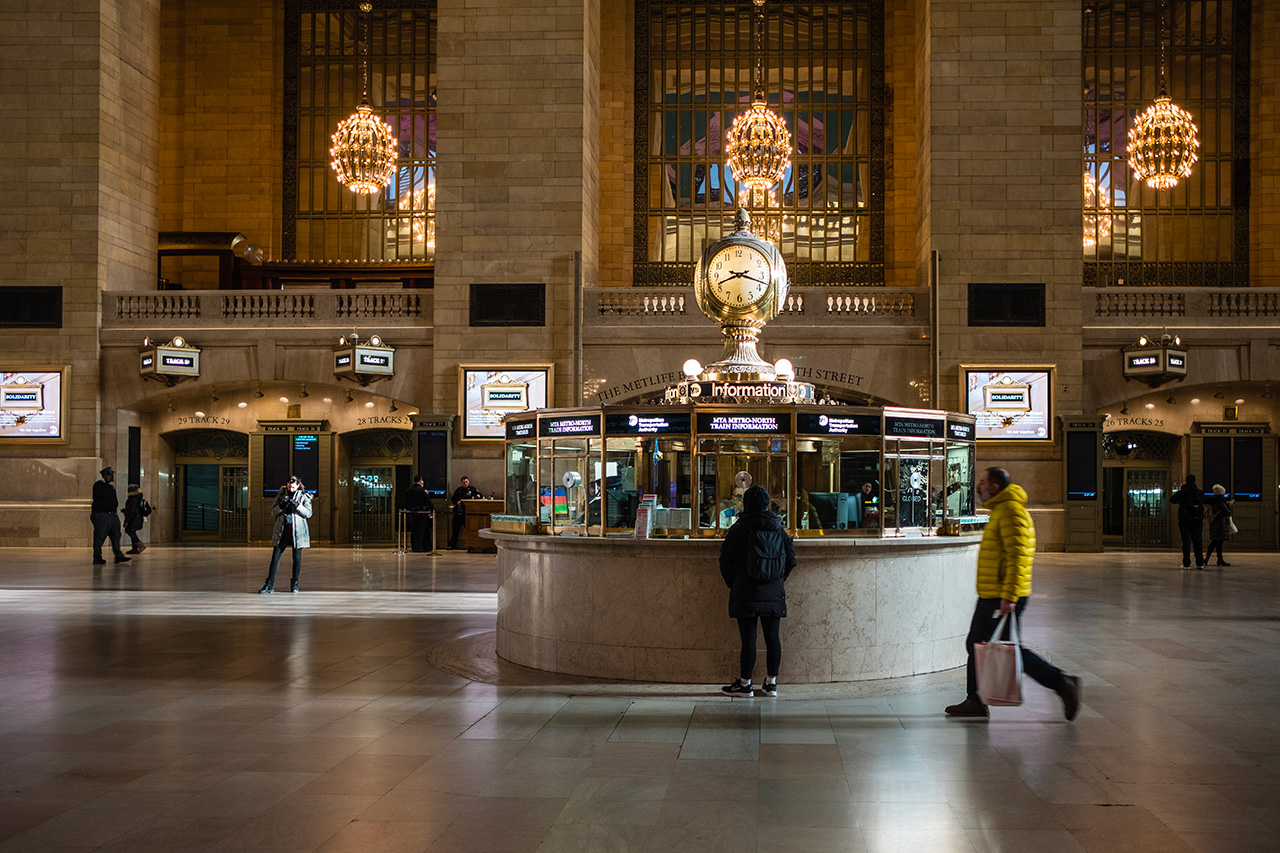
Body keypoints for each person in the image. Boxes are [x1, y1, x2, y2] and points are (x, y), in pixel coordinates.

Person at [945, 467, 1081, 720]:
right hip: (991, 594)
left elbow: (1018, 557)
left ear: (994, 487)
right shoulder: (1000, 510)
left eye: (983, 483)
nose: (979, 486)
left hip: (1002, 596)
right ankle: (974, 700)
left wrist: (1009, 596)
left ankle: (1062, 683)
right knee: (976, 643)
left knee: (1010, 649)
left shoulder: (1011, 512)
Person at [718, 485, 797, 698]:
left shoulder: (739, 528)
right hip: (773, 590)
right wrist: (779, 579)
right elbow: (791, 559)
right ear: (765, 504)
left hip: (745, 590)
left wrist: (733, 583)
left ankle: (745, 685)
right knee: (773, 637)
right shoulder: (778, 528)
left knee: (749, 639)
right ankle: (771, 684)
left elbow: (725, 560)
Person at [259, 476, 313, 594]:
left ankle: (295, 584)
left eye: (293, 487)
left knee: (297, 559)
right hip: (282, 531)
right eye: (289, 487)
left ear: (298, 485)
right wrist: (282, 505)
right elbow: (272, 512)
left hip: (297, 533)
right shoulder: (281, 495)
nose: (291, 489)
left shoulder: (304, 496)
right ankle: (269, 584)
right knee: (275, 558)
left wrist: (297, 506)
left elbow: (308, 513)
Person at [90, 467, 130, 565]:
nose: (112, 476)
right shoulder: (99, 485)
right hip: (102, 514)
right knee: (100, 535)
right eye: (110, 474)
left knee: (116, 534)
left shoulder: (110, 487)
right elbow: (100, 496)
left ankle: (118, 555)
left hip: (112, 515)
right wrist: (104, 481)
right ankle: (97, 556)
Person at [1170, 474, 1206, 569]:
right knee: (1198, 542)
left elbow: (1172, 500)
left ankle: (1186, 563)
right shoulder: (1199, 492)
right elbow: (1205, 500)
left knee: (1186, 542)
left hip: (1185, 520)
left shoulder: (1182, 492)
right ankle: (1200, 563)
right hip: (1197, 521)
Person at [447, 475, 482, 549]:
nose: (465, 483)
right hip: (459, 513)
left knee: (470, 530)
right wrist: (457, 503)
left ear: (468, 482)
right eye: (464, 482)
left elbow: (480, 496)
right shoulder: (458, 490)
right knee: (455, 530)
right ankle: (452, 545)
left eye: (466, 482)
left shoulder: (472, 489)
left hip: (469, 513)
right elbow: (453, 499)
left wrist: (477, 496)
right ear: (461, 483)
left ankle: (471, 546)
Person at [1204, 484, 1234, 568]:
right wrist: (1230, 506)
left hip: (1214, 523)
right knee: (1218, 542)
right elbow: (1227, 512)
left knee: (1215, 542)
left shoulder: (1212, 500)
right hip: (1220, 524)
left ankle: (1210, 558)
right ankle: (1215, 559)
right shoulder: (1220, 501)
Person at [404, 474, 435, 553]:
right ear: (420, 480)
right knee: (422, 530)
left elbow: (407, 502)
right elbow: (428, 501)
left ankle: (414, 545)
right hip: (422, 512)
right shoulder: (422, 490)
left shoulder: (409, 490)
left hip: (413, 512)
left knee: (414, 529)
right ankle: (420, 546)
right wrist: (432, 509)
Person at [122, 484, 152, 554]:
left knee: (130, 531)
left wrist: (126, 521)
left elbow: (131, 511)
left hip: (133, 519)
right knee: (132, 531)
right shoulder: (138, 498)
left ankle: (140, 544)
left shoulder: (132, 499)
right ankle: (134, 548)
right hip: (138, 518)